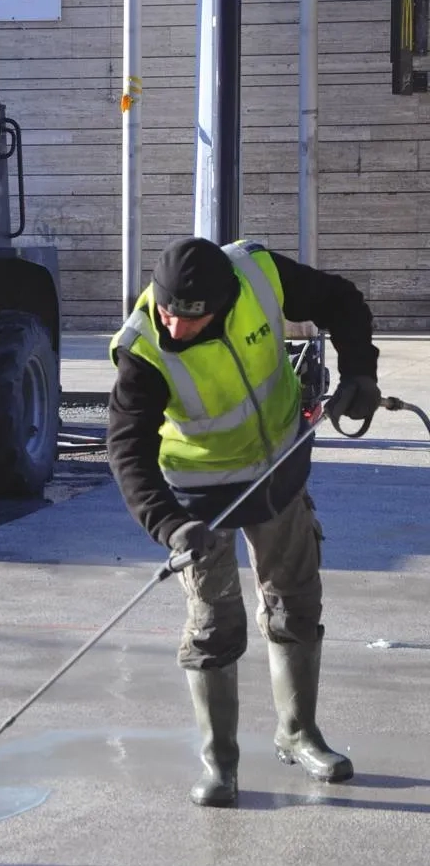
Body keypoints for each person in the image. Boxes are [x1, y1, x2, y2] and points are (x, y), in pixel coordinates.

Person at [107, 236, 380, 807]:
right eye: (166, 311)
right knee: (213, 623)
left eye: (193, 315)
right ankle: (221, 764)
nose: (176, 328)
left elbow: (342, 301)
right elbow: (126, 452)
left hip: (278, 470)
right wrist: (169, 527)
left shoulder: (256, 274)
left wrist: (361, 373)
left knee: (296, 601)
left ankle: (299, 733)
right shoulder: (143, 353)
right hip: (199, 500)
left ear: (225, 301)